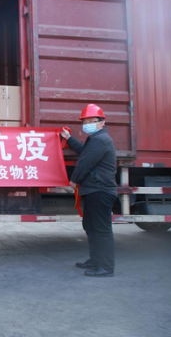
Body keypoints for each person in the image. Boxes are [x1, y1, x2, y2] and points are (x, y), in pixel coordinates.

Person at [60, 104, 117, 277]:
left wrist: (74, 179)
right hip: (93, 190)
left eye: (92, 121)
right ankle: (95, 261)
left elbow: (85, 162)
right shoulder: (95, 139)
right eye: (85, 122)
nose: (88, 124)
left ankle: (106, 267)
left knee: (102, 230)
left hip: (100, 190)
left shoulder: (101, 140)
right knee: (91, 227)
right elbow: (84, 152)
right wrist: (69, 138)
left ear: (102, 122)